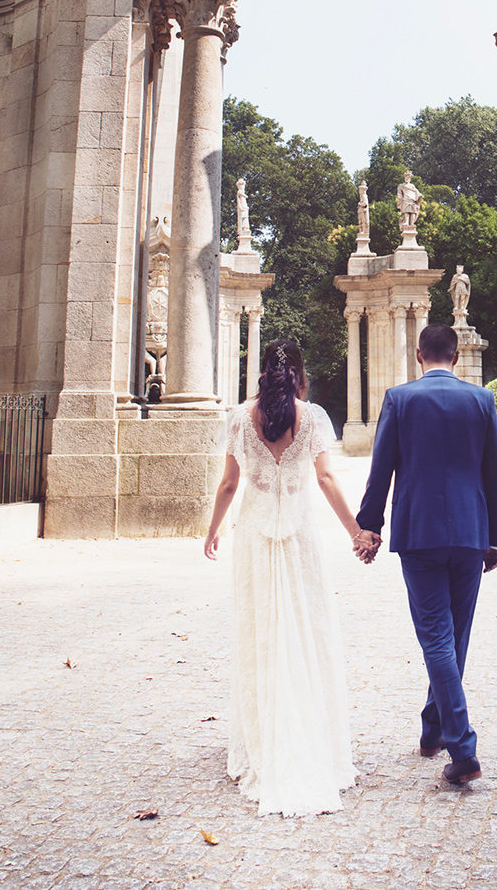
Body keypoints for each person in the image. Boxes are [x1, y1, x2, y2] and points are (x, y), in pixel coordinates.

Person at [204, 340, 366, 816]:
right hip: (299, 538)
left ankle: (263, 739)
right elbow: (327, 480)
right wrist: (356, 531)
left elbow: (230, 484)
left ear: (261, 372)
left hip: (255, 538)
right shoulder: (313, 416)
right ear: (298, 372)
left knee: (261, 632)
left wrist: (212, 531)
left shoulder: (238, 417)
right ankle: (310, 732)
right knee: (307, 631)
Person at [354, 324, 497, 786]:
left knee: (438, 639)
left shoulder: (400, 399)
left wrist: (370, 526)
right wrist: (494, 536)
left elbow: (382, 468)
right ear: (456, 357)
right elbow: (493, 475)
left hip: (418, 532)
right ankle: (432, 730)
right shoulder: (481, 400)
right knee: (454, 637)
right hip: (469, 531)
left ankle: (463, 749)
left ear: (419, 355)